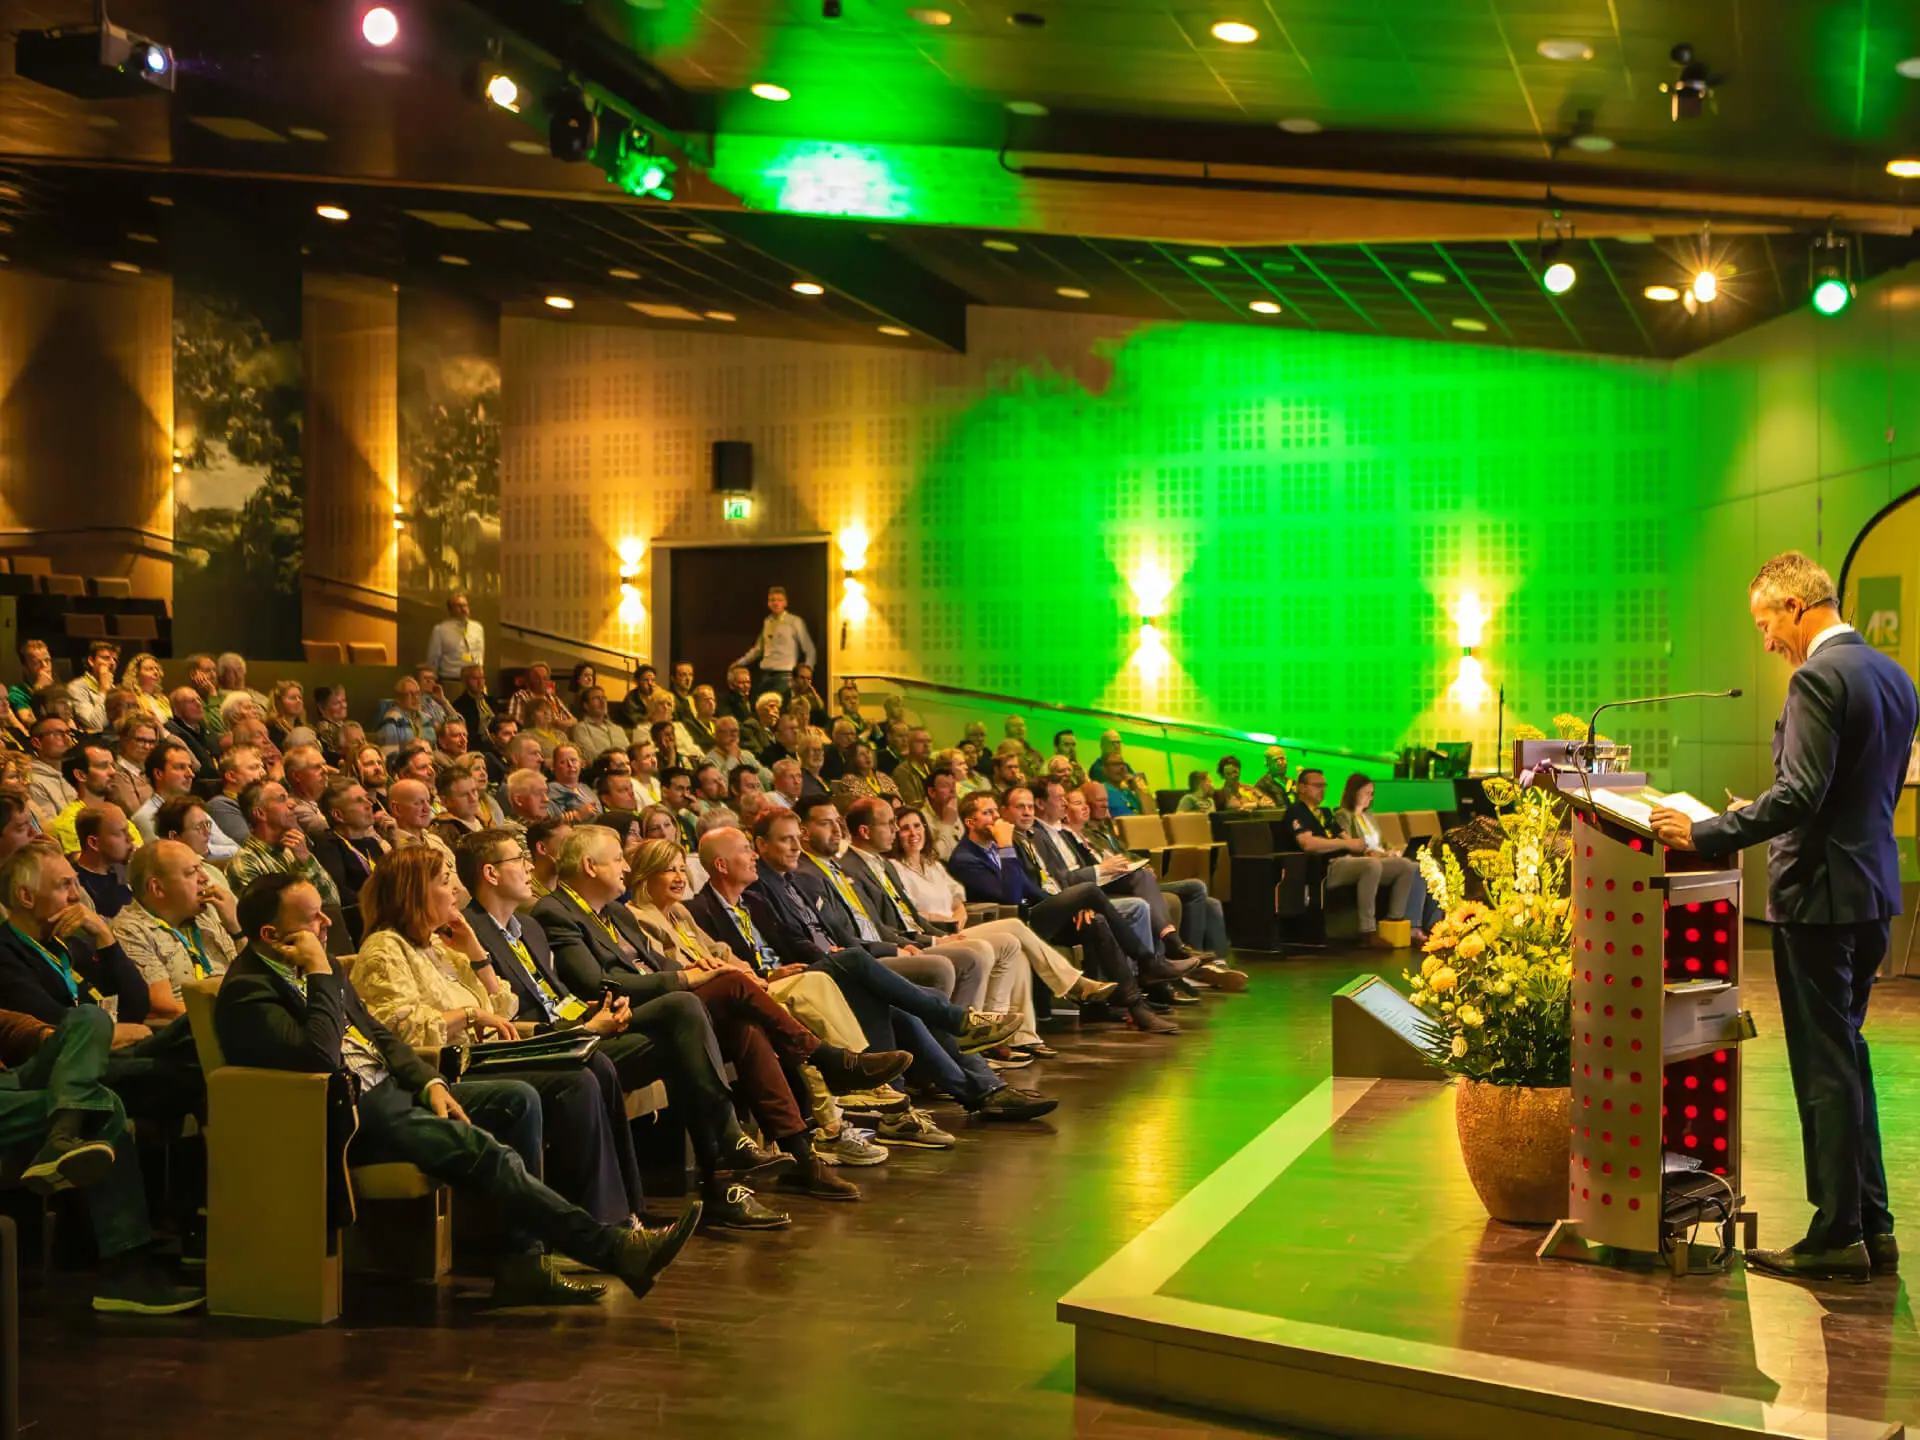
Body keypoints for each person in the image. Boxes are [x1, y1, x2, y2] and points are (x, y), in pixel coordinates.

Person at [214, 872, 698, 1305]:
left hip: (396, 1089)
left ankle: (524, 1262)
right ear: (272, 936)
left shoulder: (330, 970)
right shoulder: (249, 990)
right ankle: (607, 1249)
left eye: (323, 910)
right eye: (311, 918)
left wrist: (431, 1083)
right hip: (351, 1111)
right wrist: (320, 972)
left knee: (516, 1099)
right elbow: (319, 1055)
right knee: (486, 1151)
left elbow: (380, 1038)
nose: (325, 923)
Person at [1650, 552, 1919, 1283]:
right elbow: (1866, 791)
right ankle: (1874, 1227)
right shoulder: (1896, 677)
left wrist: (1705, 832)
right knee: (1850, 1059)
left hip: (1819, 899)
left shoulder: (1817, 677)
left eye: (1765, 621)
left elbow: (1799, 793)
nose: (1765, 639)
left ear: (1797, 607)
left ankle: (1835, 1234)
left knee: (1825, 1072)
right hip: (1871, 897)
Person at [696, 814, 1050, 1138]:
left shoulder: (754, 901)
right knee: (869, 969)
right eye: (746, 849)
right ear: (722, 863)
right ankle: (958, 1040)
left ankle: (975, 1092)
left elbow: (806, 937)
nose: (755, 856)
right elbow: (730, 967)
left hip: (807, 976)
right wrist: (771, 972)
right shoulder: (701, 910)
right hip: (779, 989)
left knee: (902, 1007)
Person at [349, 845, 647, 1229]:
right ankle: (596, 1225)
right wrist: (469, 1014)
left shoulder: (439, 945)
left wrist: (476, 952)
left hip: (490, 1055)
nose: (456, 889)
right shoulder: (384, 948)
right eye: (444, 881)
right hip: (449, 1067)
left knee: (598, 1063)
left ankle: (626, 1212)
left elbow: (503, 1011)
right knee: (574, 1083)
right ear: (414, 892)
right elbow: (398, 1029)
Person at [531, 827, 806, 1230]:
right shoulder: (555, 912)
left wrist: (694, 970)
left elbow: (662, 968)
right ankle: (741, 1139)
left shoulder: (617, 913)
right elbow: (596, 985)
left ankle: (726, 1183)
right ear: (590, 866)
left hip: (651, 1018)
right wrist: (685, 980)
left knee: (725, 1026)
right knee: (689, 1003)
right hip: (605, 1027)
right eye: (617, 859)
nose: (627, 867)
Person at [625, 838, 903, 1193]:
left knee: (750, 1027)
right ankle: (829, 1061)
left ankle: (803, 1158)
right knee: (748, 986)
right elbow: (663, 973)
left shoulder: (679, 913)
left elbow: (720, 951)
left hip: (726, 999)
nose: (679, 877)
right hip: (686, 1006)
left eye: (682, 868)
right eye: (668, 870)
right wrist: (718, 970)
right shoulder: (637, 918)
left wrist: (746, 972)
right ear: (645, 875)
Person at [849, 797, 1110, 1058]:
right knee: (1011, 934)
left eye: (917, 826)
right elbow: (898, 920)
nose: (907, 832)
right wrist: (935, 938)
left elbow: (959, 899)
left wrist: (950, 920)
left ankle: (1013, 1034)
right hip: (923, 937)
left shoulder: (925, 865)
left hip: (938, 931)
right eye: (901, 827)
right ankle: (1063, 990)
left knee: (1013, 941)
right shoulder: (895, 866)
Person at [0, 1003, 204, 1313]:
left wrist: (47, 1036)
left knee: (89, 1018)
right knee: (103, 1106)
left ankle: (62, 1134)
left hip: (11, 1079)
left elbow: (6, 1021)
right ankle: (124, 1270)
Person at [947, 791, 1172, 1034]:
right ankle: (1148, 961)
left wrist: (1069, 905)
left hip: (1037, 915)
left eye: (994, 811)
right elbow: (1011, 896)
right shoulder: (966, 858)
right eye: (986, 812)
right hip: (1013, 923)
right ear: (970, 821)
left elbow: (1030, 888)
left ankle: (1135, 1007)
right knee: (1088, 890)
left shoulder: (996, 848)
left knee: (1095, 921)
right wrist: (1006, 845)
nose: (995, 817)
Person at [1283, 769, 1412, 952]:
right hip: (1324, 867)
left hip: (1347, 861)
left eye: (1324, 786)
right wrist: (1344, 844)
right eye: (1317, 786)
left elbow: (1345, 837)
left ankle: (1394, 920)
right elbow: (1307, 843)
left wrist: (1365, 849)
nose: (1322, 790)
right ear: (1302, 788)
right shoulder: (1296, 811)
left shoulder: (1325, 813)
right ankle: (1367, 931)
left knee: (1404, 866)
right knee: (1370, 865)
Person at [111, 839, 234, 1024]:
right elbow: (164, 1008)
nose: (204, 878)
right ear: (157, 888)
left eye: (201, 868)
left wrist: (236, 927)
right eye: (192, 872)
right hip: (193, 1032)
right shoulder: (130, 929)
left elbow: (255, 976)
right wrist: (238, 1010)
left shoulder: (205, 916)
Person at [1334, 773, 1436, 944]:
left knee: (1415, 867)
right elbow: (1352, 844)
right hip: (1363, 859)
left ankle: (1406, 921)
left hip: (1382, 857)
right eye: (1366, 793)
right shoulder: (1343, 815)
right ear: (1354, 793)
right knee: (1398, 865)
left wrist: (1394, 850)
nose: (1370, 797)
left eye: (1372, 794)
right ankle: (1375, 928)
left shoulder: (1369, 816)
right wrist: (1382, 854)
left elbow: (1382, 843)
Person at [223, 779, 343, 914]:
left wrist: (306, 860)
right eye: (282, 799)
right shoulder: (245, 865)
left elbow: (333, 902)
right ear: (260, 813)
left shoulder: (294, 850)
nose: (292, 804)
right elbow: (270, 918)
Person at [731, 585, 816, 700]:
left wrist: (806, 675)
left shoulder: (794, 622)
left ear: (785, 603)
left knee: (777, 705)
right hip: (765, 673)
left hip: (784, 674)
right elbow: (757, 649)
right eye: (772, 600)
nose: (776, 603)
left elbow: (809, 649)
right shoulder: (767, 622)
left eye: (779, 600)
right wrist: (740, 663)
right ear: (768, 603)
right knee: (758, 704)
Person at [49, 739, 120, 856]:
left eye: (112, 765)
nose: (113, 772)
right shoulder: (70, 823)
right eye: (103, 766)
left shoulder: (114, 811)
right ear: (81, 775)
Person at [71, 806, 136, 919]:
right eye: (121, 833)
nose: (131, 838)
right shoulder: (75, 885)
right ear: (94, 843)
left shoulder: (126, 871)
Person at [206, 745, 266, 847]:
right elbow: (250, 846)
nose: (264, 773)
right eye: (254, 767)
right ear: (232, 776)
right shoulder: (220, 805)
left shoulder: (257, 803)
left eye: (262, 767)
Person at [426, 591, 485, 683]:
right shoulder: (440, 630)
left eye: (465, 605)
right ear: (451, 610)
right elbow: (433, 659)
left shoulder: (477, 628)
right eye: (459, 606)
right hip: (451, 679)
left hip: (474, 681)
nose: (463, 609)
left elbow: (480, 654)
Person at [26, 714, 77, 820]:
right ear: (37, 743)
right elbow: (50, 829)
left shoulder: (73, 775)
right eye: (58, 733)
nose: (68, 739)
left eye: (68, 733)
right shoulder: (33, 781)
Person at [66, 641, 118, 735]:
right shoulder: (76, 687)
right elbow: (96, 725)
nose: (112, 663)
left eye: (115, 659)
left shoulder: (115, 689)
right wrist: (104, 690)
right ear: (91, 661)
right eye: (106, 658)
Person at [165, 686, 219, 777]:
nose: (199, 704)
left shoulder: (205, 728)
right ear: (176, 709)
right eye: (191, 701)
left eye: (199, 699)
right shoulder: (172, 730)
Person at [569, 688, 628, 767]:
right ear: (586, 706)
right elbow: (591, 757)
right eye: (596, 698)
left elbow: (630, 753)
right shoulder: (581, 728)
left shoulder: (617, 728)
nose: (602, 701)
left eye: (604, 698)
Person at [547, 744, 600, 821]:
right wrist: (578, 816)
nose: (570, 765)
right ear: (554, 767)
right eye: (563, 762)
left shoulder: (585, 787)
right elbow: (552, 822)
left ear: (581, 763)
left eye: (573, 760)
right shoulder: (552, 789)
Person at [891, 728, 935, 808]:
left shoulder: (935, 766)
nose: (926, 745)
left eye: (929, 741)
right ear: (909, 745)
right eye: (920, 741)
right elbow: (913, 805)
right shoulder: (902, 772)